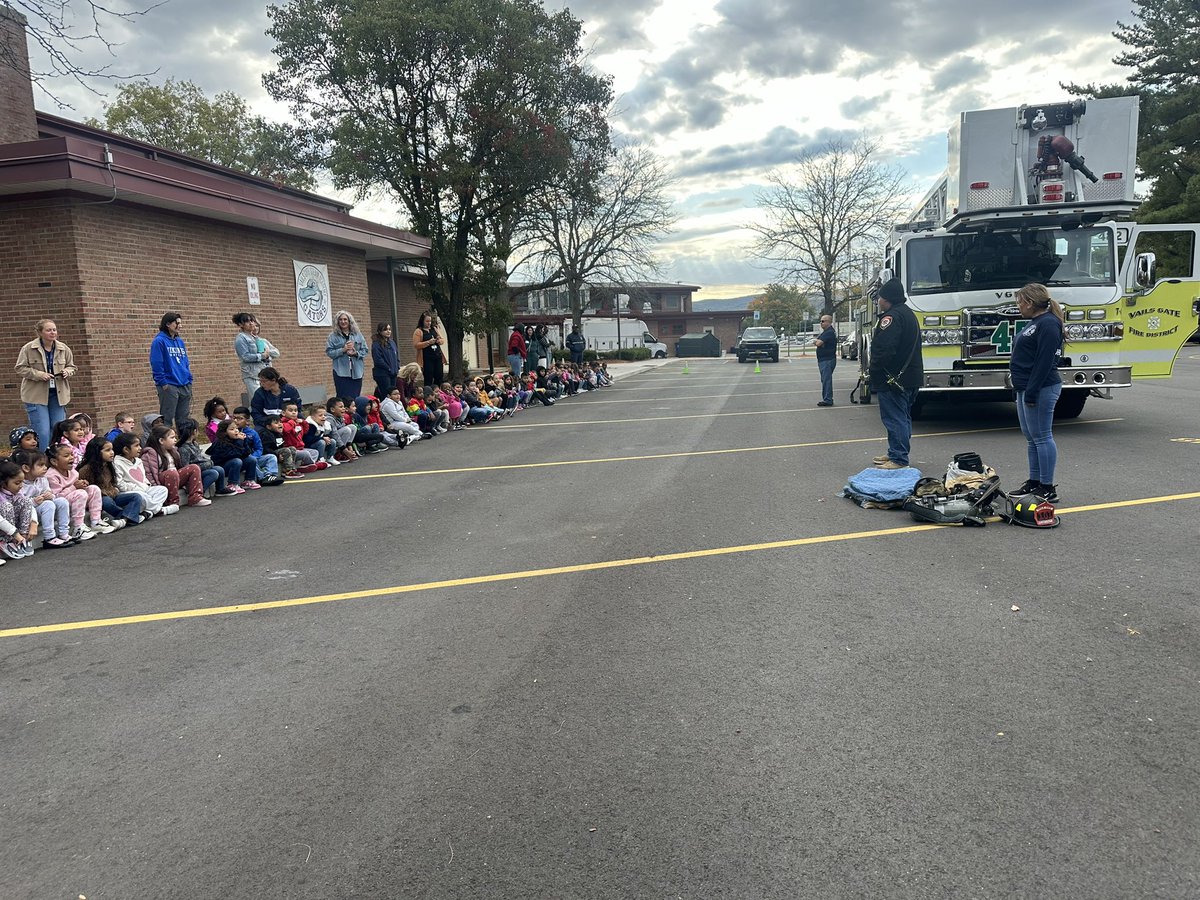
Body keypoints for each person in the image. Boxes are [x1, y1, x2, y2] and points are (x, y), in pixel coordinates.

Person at [1010, 283, 1065, 502]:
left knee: (1042, 436)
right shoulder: (1035, 323)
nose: (1018, 307)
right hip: (1026, 386)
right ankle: (1034, 482)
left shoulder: (1049, 323)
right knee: (1031, 438)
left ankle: (1047, 486)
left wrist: (1032, 391)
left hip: (1041, 386)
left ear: (1030, 302)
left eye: (1020, 303)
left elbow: (1044, 361)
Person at [868, 277, 923, 469]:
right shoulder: (908, 314)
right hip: (910, 376)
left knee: (894, 417)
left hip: (893, 379)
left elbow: (884, 350)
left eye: (880, 298)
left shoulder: (890, 318)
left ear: (888, 298)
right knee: (903, 416)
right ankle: (895, 452)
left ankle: (898, 458)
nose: (878, 301)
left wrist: (873, 370)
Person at [15, 319, 76, 452]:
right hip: (36, 396)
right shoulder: (28, 348)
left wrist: (67, 371)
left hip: (58, 395)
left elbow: (72, 366)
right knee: (42, 431)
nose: (53, 332)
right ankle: (42, 461)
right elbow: (20, 368)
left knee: (58, 429)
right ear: (40, 332)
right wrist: (38, 374)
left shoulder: (63, 348)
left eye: (54, 329)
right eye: (48, 330)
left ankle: (57, 459)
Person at [77, 439, 144, 527]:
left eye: (112, 449)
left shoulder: (109, 465)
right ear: (97, 452)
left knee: (136, 496)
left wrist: (114, 490)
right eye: (107, 450)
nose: (112, 453)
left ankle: (124, 519)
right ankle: (129, 516)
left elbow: (113, 483)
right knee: (107, 501)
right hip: (99, 499)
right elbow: (86, 490)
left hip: (113, 495)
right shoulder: (86, 469)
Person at [14, 449, 74, 546]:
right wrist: (33, 501)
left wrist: (50, 495)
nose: (45, 468)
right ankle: (49, 537)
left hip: (43, 508)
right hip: (29, 513)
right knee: (48, 504)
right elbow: (20, 502)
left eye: (45, 465)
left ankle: (63, 533)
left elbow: (49, 492)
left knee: (62, 501)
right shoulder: (20, 483)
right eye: (40, 465)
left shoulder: (42, 479)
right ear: (26, 468)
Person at [141, 425, 210, 508]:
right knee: (171, 473)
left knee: (194, 467)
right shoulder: (149, 455)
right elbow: (149, 474)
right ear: (161, 440)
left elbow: (179, 467)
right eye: (172, 438)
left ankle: (195, 498)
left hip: (175, 477)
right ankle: (173, 502)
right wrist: (156, 488)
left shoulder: (173, 451)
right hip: (162, 481)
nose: (175, 440)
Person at [45, 442, 102, 540]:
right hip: (62, 505)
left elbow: (76, 487)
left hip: (75, 500)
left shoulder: (73, 472)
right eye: (66, 456)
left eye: (72, 454)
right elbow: (57, 497)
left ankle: (96, 521)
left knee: (94, 489)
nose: (71, 457)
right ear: (54, 461)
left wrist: (82, 484)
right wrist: (75, 487)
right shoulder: (51, 475)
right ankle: (78, 528)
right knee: (80, 493)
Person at [112, 432, 174, 516]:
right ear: (126, 449)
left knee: (162, 490)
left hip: (144, 489)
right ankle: (159, 510)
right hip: (130, 492)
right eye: (136, 446)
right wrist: (138, 489)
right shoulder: (117, 463)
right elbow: (119, 484)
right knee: (140, 496)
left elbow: (143, 478)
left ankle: (149, 511)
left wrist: (146, 485)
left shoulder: (138, 461)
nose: (140, 448)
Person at [150, 311, 194, 428]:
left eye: (180, 323)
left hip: (184, 384)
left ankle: (184, 444)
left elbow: (185, 361)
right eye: (177, 323)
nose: (180, 326)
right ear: (168, 324)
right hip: (169, 385)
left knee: (184, 418)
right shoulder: (159, 341)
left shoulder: (179, 341)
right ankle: (166, 444)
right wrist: (163, 382)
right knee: (167, 418)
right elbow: (156, 363)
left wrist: (189, 378)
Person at [233, 312, 280, 404]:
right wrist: (262, 356)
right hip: (252, 375)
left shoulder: (257, 338)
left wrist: (267, 353)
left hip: (264, 373)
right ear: (240, 324)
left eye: (252, 321)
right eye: (247, 322)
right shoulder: (241, 338)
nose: (251, 323)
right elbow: (245, 356)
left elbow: (274, 353)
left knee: (269, 400)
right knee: (257, 401)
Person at [326, 310, 368, 399]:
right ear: (337, 322)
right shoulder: (332, 336)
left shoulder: (358, 335)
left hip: (357, 372)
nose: (343, 321)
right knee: (343, 397)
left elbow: (365, 350)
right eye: (340, 320)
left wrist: (356, 353)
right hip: (341, 372)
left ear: (349, 321)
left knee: (355, 397)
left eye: (345, 319)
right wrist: (343, 350)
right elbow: (329, 353)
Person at [0, 460, 36, 559]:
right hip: (5, 531)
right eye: (17, 483)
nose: (21, 486)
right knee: (6, 506)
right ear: (3, 484)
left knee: (26, 501)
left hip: (14, 530)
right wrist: (14, 533)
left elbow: (30, 507)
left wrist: (34, 523)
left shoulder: (17, 493)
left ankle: (23, 536)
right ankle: (6, 540)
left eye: (22, 482)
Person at [413, 312, 447, 387]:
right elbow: (416, 345)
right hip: (427, 358)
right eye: (427, 321)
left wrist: (438, 341)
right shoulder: (419, 331)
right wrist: (428, 342)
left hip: (437, 356)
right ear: (422, 321)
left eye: (430, 321)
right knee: (428, 377)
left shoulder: (434, 329)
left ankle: (437, 391)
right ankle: (428, 393)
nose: (429, 323)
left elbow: (442, 340)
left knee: (439, 376)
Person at [371, 322, 401, 401]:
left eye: (389, 329)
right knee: (386, 395)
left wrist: (397, 367)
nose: (388, 331)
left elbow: (396, 355)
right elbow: (378, 359)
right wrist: (388, 368)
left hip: (393, 373)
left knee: (393, 394)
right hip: (383, 374)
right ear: (380, 331)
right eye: (385, 330)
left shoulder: (392, 342)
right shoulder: (376, 344)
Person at [814, 314, 838, 407]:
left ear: (829, 322)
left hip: (827, 360)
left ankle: (828, 399)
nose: (821, 323)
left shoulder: (829, 332)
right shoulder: (826, 332)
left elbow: (819, 343)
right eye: (820, 321)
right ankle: (827, 398)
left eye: (823, 321)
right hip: (824, 360)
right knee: (824, 380)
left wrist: (816, 341)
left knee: (826, 380)